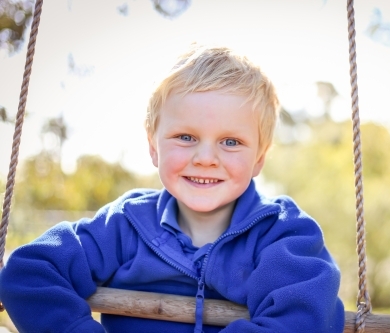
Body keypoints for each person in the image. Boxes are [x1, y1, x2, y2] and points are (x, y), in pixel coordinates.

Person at [0, 44, 345, 333]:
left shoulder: (284, 235)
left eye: (230, 141)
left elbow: (304, 316)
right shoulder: (125, 225)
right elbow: (29, 272)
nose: (206, 158)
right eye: (186, 137)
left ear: (258, 159)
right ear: (153, 147)